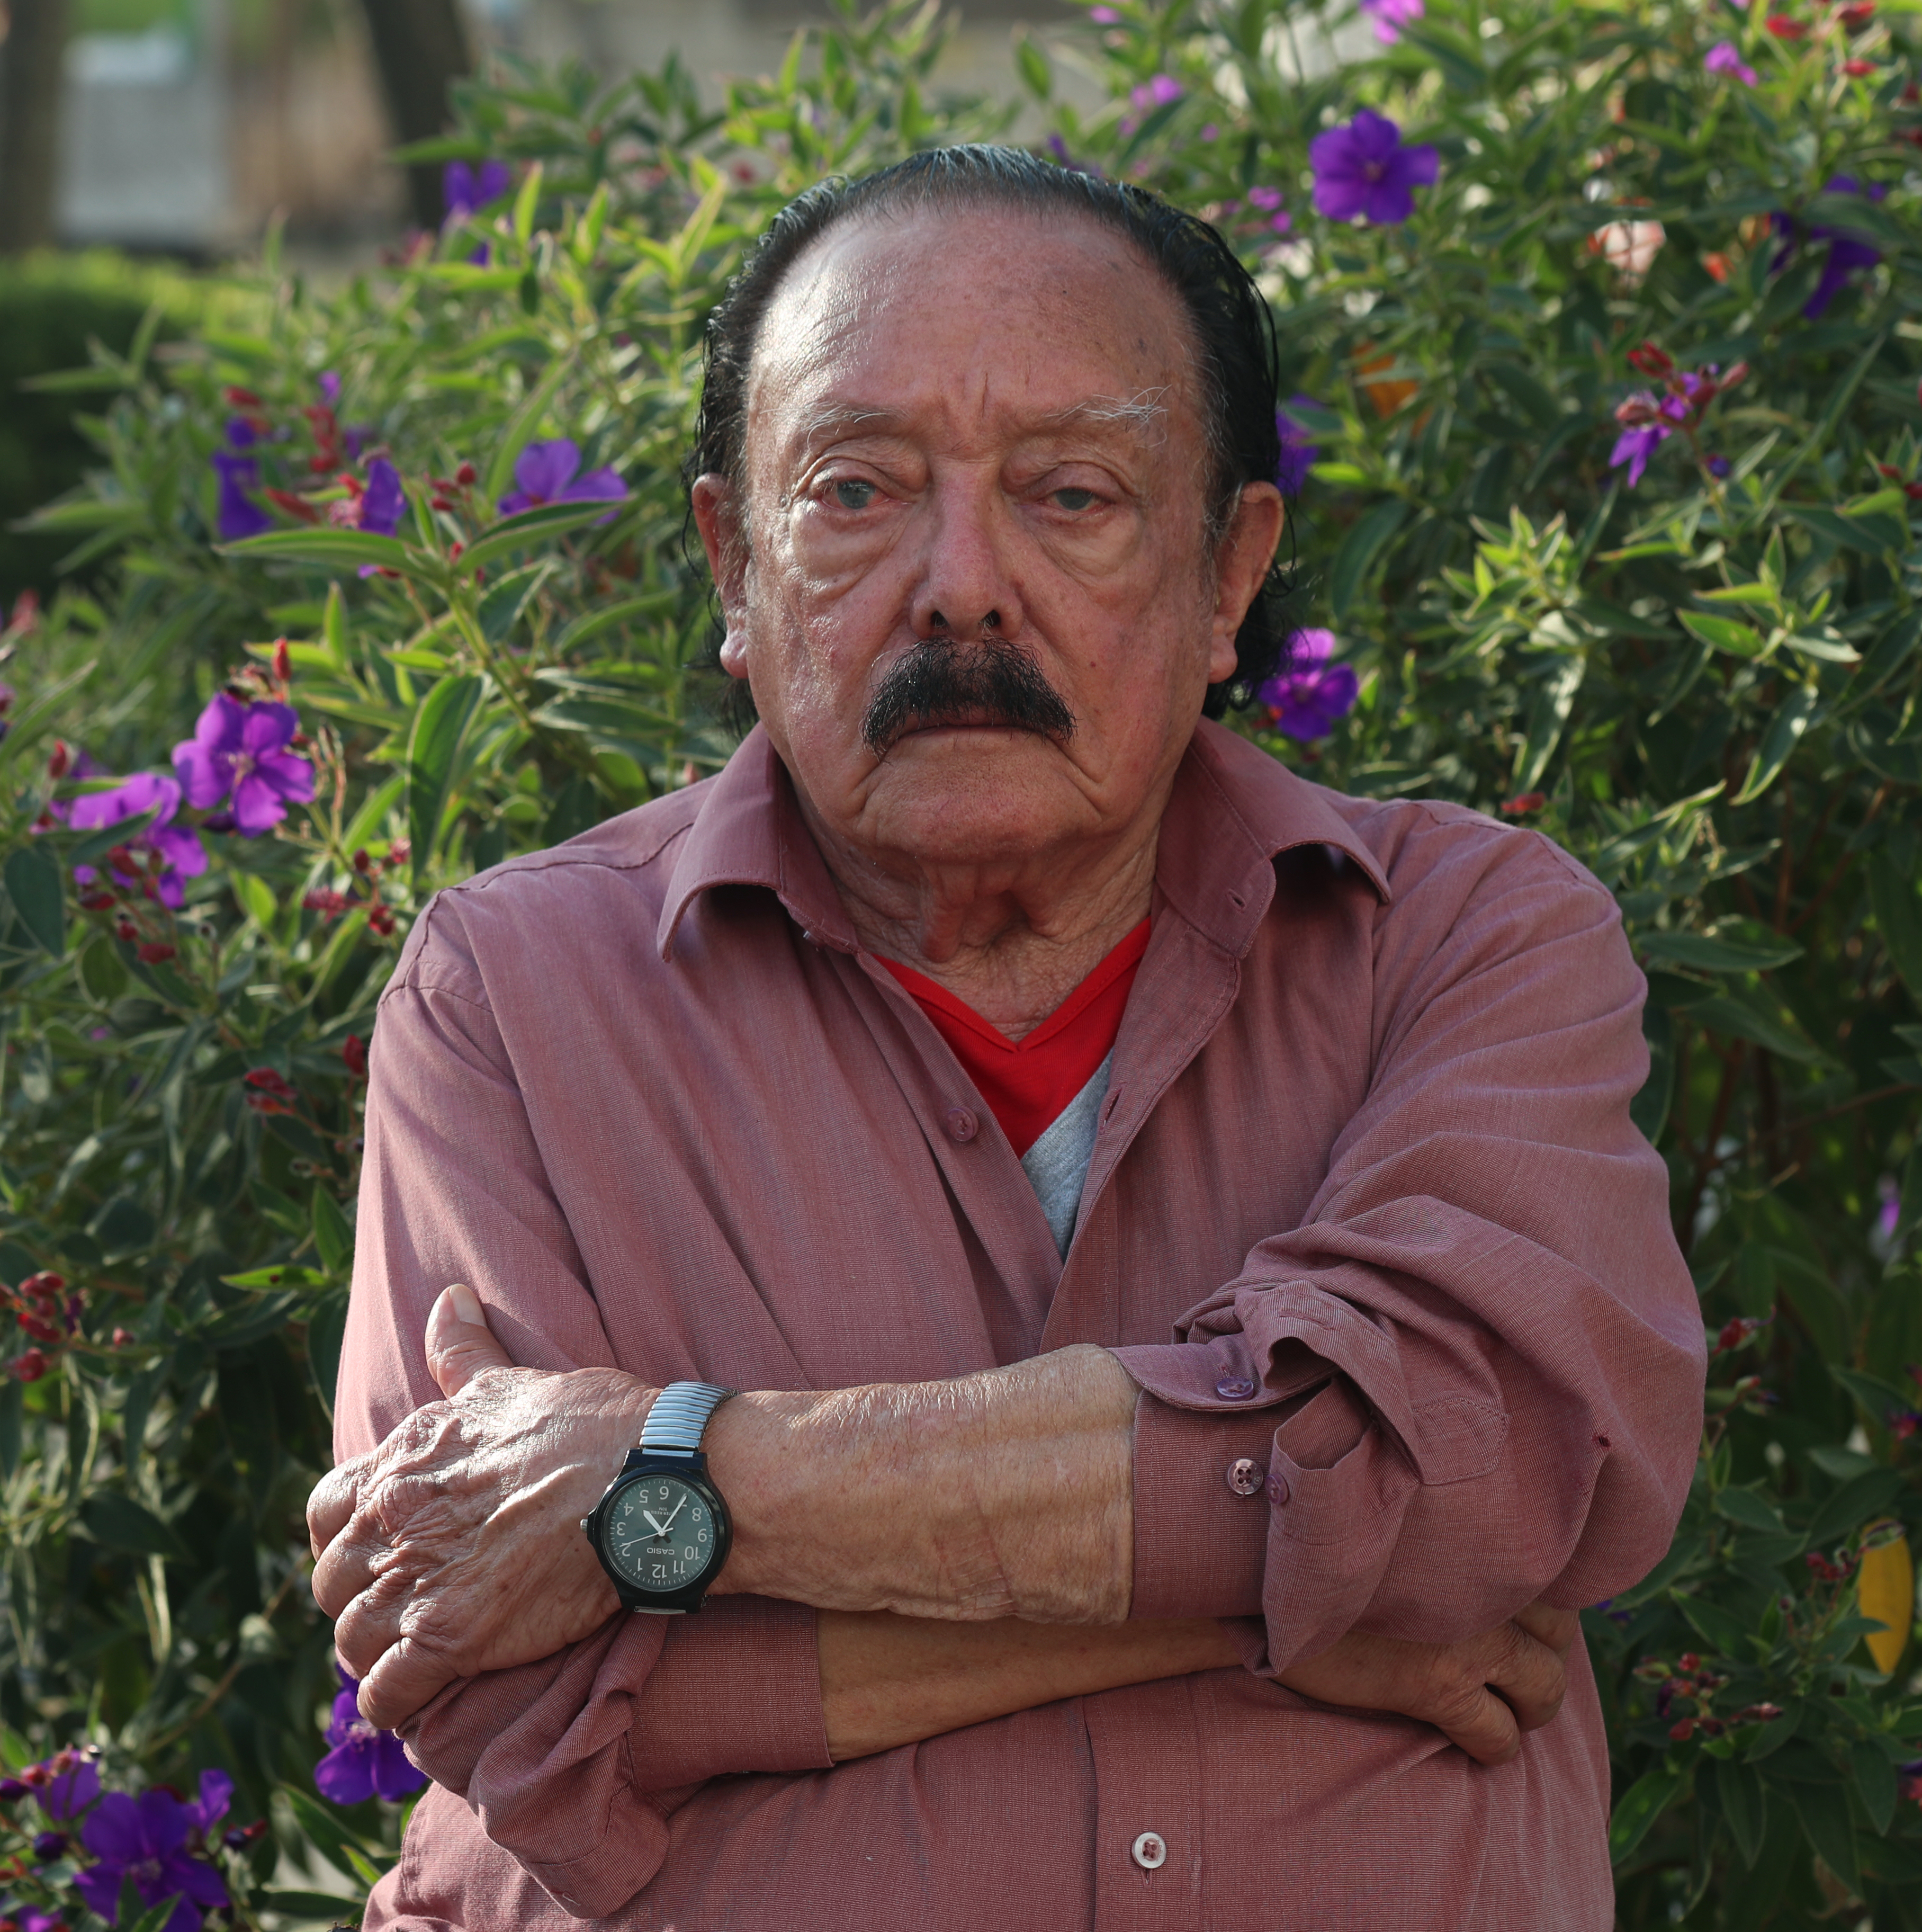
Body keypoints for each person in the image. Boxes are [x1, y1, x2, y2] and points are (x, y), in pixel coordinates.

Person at [306, 146, 1706, 1930]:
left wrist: (659, 1480)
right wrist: (1264, 1589)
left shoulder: (1462, 937)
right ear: (736, 566)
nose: (964, 586)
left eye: (1072, 494)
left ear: (1228, 577)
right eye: (857, 488)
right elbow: (497, 1677)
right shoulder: (511, 996)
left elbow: (1488, 1468)